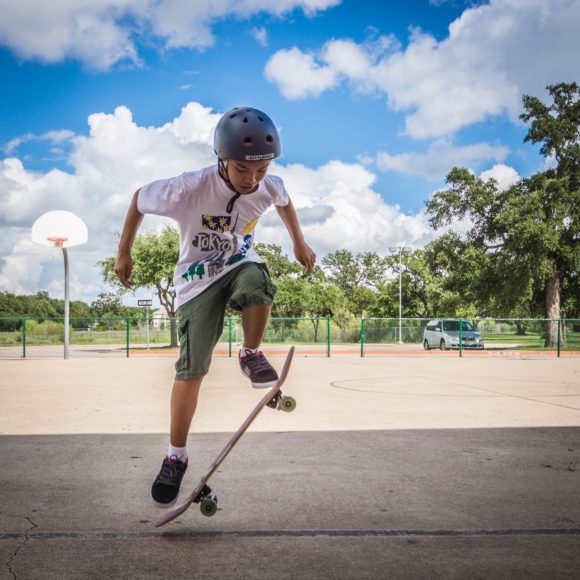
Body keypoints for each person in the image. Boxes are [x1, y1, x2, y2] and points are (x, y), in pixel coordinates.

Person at [114, 106, 316, 506]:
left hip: (238, 265)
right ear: (221, 160)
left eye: (261, 170)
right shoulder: (188, 188)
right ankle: (176, 456)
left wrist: (298, 241)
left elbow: (285, 199)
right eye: (243, 170)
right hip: (195, 283)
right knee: (191, 373)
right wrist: (124, 253)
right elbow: (139, 198)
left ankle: (251, 353)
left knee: (258, 280)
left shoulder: (268, 185)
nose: (252, 180)